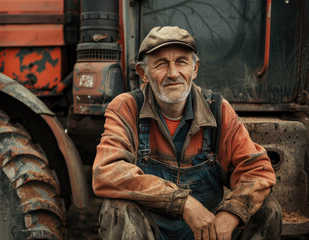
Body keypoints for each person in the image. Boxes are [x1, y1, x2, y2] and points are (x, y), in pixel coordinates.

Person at [92, 26, 282, 240]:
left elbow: (257, 170)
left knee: (267, 208)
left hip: (206, 234)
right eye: (161, 64)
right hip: (150, 232)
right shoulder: (127, 108)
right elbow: (107, 171)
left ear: (195, 68)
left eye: (181, 62)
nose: (173, 74)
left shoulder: (217, 110)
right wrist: (182, 202)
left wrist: (231, 214)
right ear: (143, 73)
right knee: (117, 209)